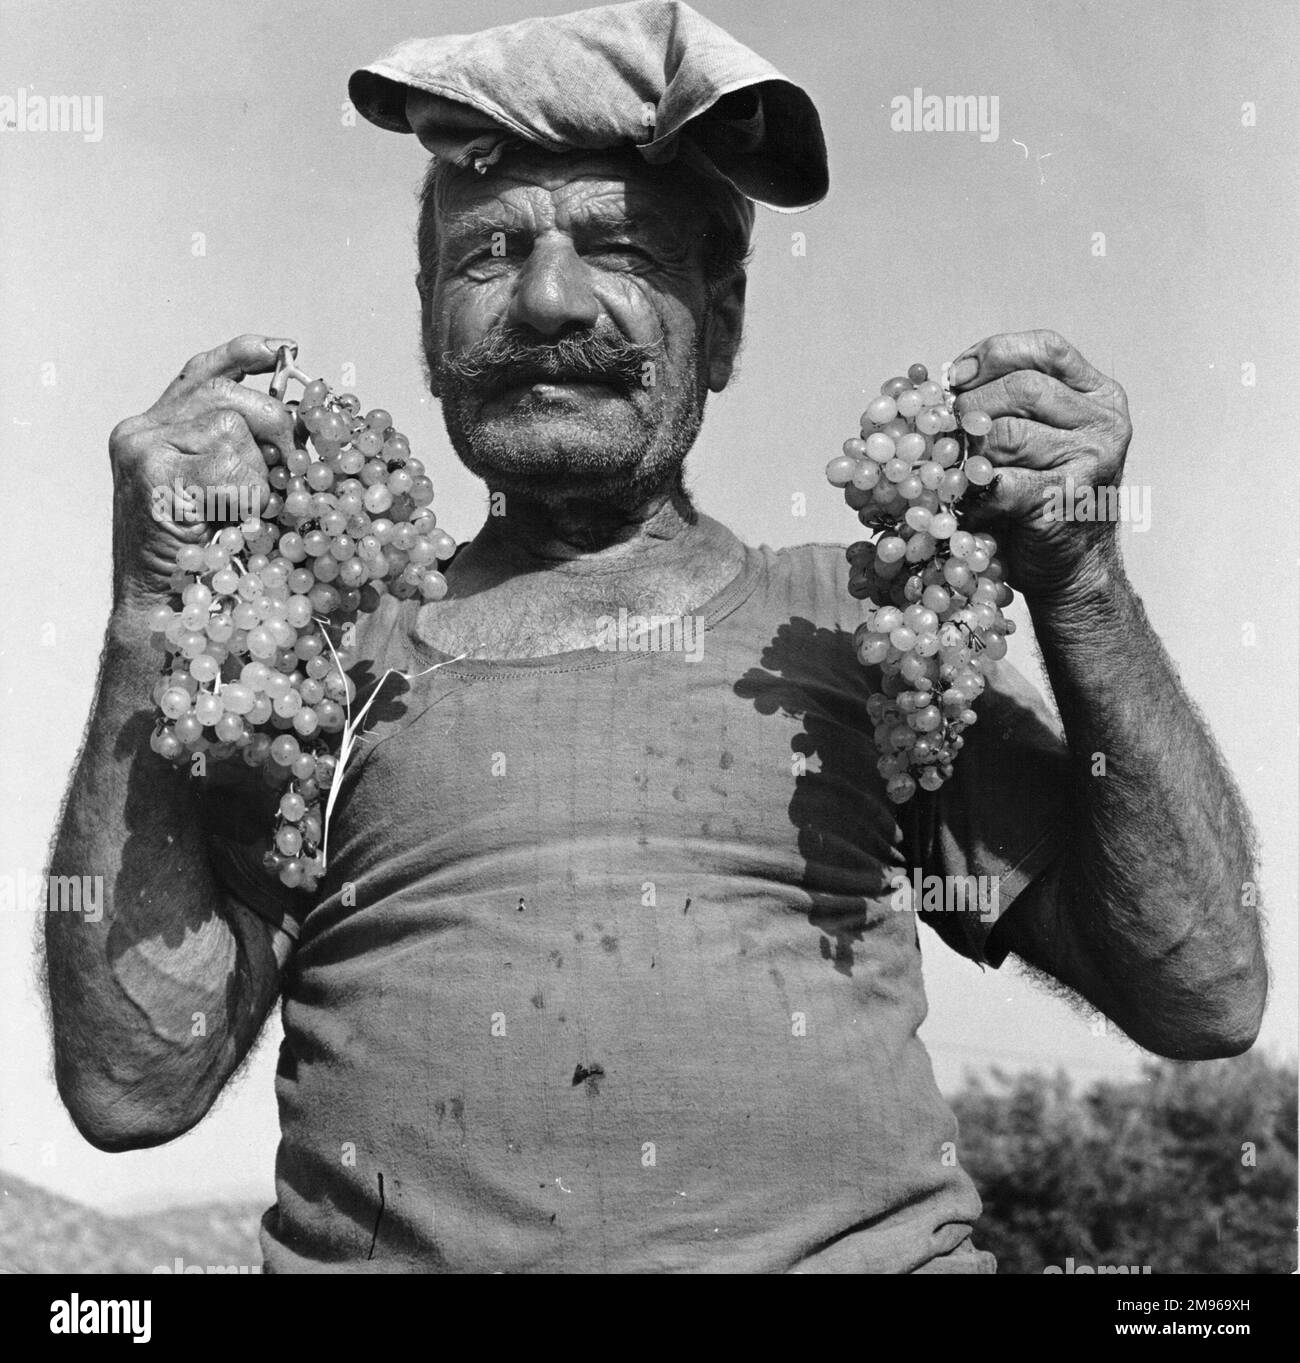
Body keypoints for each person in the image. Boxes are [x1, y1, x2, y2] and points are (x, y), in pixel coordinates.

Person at [45, 1, 1264, 1273]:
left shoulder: (866, 630)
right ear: (425, 320)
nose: (550, 299)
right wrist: (148, 613)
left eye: (617, 248)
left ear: (720, 319)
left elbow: (1204, 993)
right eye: (488, 253)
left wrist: (1081, 588)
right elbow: (135, 1087)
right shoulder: (312, 665)